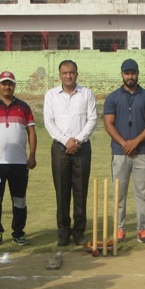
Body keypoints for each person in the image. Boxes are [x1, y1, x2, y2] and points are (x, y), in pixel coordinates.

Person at [0, 71, 37, 246]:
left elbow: (31, 132)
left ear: (14, 85)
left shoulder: (24, 107)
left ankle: (18, 233)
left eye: (10, 83)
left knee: (19, 200)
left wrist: (32, 155)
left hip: (19, 163)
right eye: (4, 83)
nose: (7, 87)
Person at [103, 58, 145, 243]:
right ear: (122, 74)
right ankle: (120, 229)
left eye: (133, 73)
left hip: (141, 152)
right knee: (119, 193)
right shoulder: (112, 97)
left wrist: (135, 142)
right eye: (127, 73)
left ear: (137, 74)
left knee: (142, 193)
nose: (130, 76)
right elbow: (108, 124)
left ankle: (142, 229)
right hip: (119, 153)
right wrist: (124, 143)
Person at [43, 60, 96, 246]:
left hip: (82, 148)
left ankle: (79, 232)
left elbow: (92, 120)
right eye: (64, 72)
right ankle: (63, 232)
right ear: (59, 75)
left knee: (81, 191)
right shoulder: (51, 95)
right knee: (62, 191)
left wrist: (77, 141)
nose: (68, 76)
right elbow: (49, 122)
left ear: (77, 74)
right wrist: (66, 141)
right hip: (60, 148)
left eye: (71, 72)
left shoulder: (86, 93)